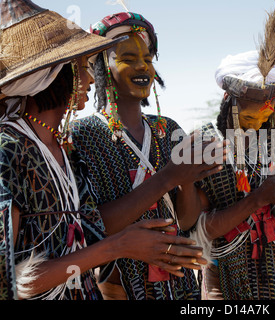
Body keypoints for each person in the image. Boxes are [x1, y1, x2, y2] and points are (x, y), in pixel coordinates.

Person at [0, 0, 206, 300]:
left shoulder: (63, 149)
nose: (89, 78)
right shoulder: (16, 149)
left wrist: (184, 180)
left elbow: (88, 234)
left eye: (148, 57)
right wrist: (121, 245)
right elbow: (12, 281)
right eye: (82, 68)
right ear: (53, 75)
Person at [69, 11, 225, 300]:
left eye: (149, 59)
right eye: (128, 58)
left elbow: (185, 221)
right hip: (119, 288)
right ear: (103, 65)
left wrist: (188, 178)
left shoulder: (167, 129)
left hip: (180, 287)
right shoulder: (82, 136)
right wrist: (169, 176)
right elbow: (91, 226)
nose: (142, 66)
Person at [190, 0, 275, 300]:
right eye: (247, 114)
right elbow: (200, 229)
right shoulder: (206, 144)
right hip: (222, 274)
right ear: (227, 100)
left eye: (264, 113)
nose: (255, 121)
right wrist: (259, 198)